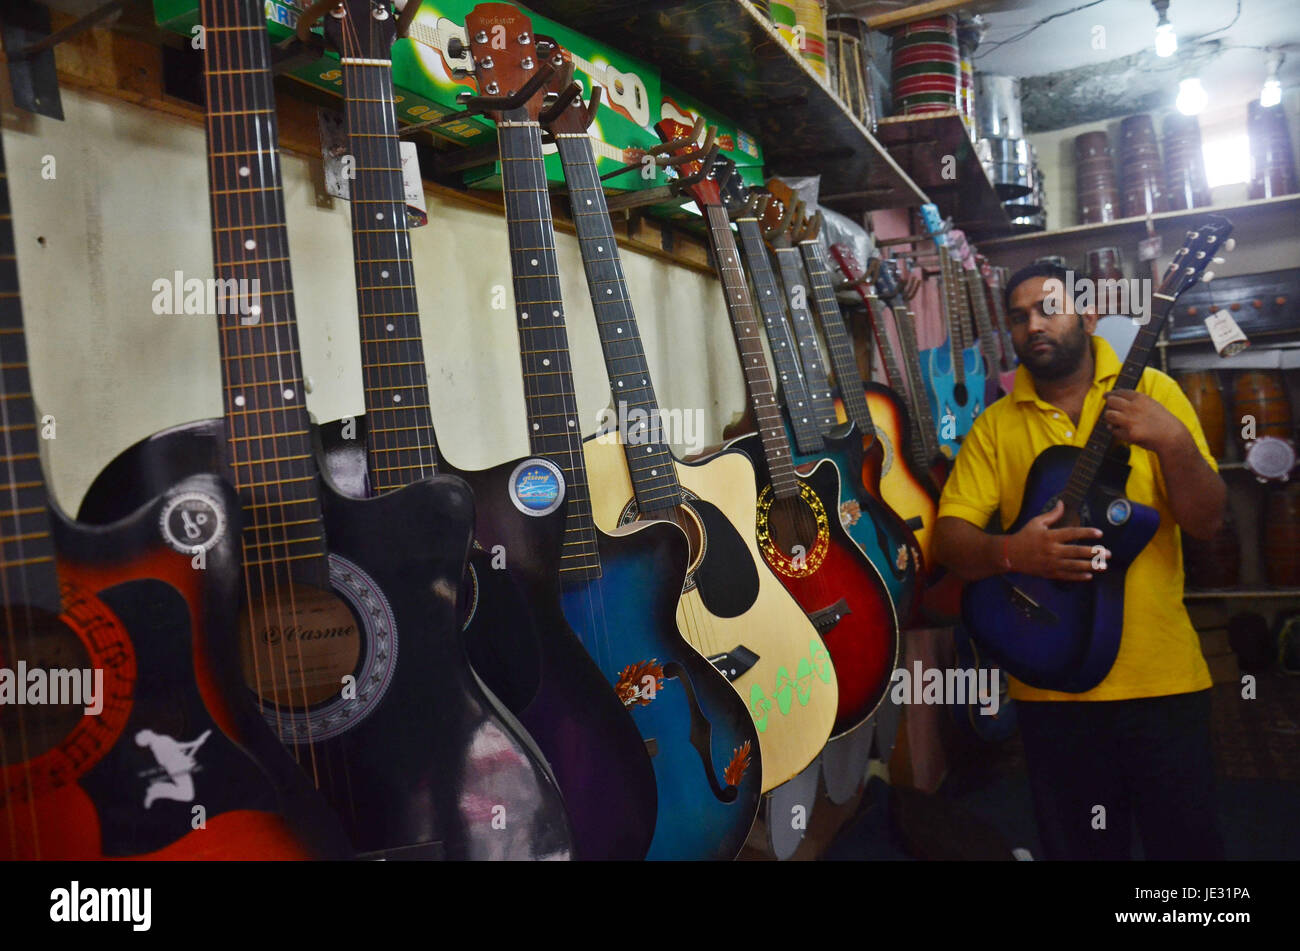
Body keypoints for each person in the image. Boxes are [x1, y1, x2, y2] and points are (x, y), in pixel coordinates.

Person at [932, 261, 1227, 861]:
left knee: (1189, 856)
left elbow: (1207, 522)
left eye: (1049, 308)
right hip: (1051, 686)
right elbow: (950, 542)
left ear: (1088, 314)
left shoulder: (1156, 394)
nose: (1034, 325)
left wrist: (1170, 440)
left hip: (1162, 683)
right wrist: (1013, 551)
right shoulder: (995, 426)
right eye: (1019, 317)